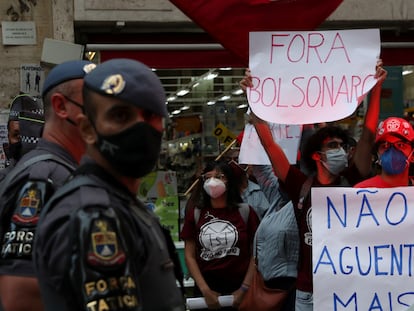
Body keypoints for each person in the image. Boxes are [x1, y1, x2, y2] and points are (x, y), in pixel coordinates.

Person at [33, 58, 185, 311]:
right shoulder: (94, 215)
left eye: (150, 115)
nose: (140, 128)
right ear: (87, 129)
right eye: (121, 115)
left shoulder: (119, 203)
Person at [241, 61, 387, 311]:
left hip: (347, 289)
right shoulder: (302, 185)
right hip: (308, 291)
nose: (340, 151)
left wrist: (376, 88)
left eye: (342, 146)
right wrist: (253, 97)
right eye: (333, 146)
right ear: (317, 155)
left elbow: (368, 136)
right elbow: (270, 147)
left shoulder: (351, 180)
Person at [0, 59, 95, 311]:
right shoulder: (44, 176)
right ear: (61, 106)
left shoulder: (65, 170)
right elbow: (20, 296)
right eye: (94, 104)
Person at [181, 160, 259, 310]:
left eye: (219, 176)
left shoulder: (246, 212)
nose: (212, 182)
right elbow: (189, 255)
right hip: (206, 289)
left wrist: (244, 288)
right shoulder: (196, 214)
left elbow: (256, 253)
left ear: (229, 181)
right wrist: (205, 290)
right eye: (208, 177)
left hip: (240, 288)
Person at [250, 165, 299, 311]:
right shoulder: (278, 197)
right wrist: (257, 144)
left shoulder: (303, 202)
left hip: (290, 287)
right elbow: (262, 170)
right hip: (267, 282)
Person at [354, 117, 414, 187]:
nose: (392, 151)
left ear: (413, 155)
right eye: (385, 145)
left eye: (400, 145)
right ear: (377, 154)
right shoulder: (362, 191)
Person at [2, 94, 43, 169]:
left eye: (28, 134)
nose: (24, 140)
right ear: (8, 136)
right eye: (17, 135)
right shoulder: (5, 177)